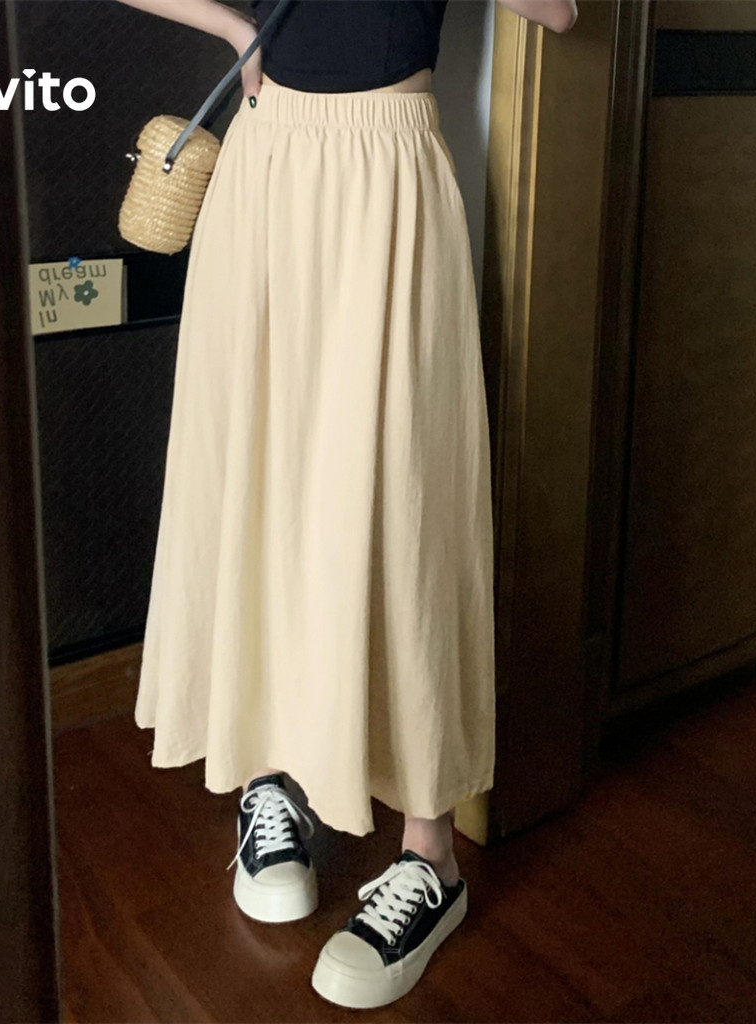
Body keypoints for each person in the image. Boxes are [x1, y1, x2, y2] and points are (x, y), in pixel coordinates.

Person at [117, 0, 577, 1009]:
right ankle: (270, 776)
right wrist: (234, 32)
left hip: (392, 174)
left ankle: (430, 856)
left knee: (406, 502)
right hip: (265, 164)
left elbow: (559, 10)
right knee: (264, 482)